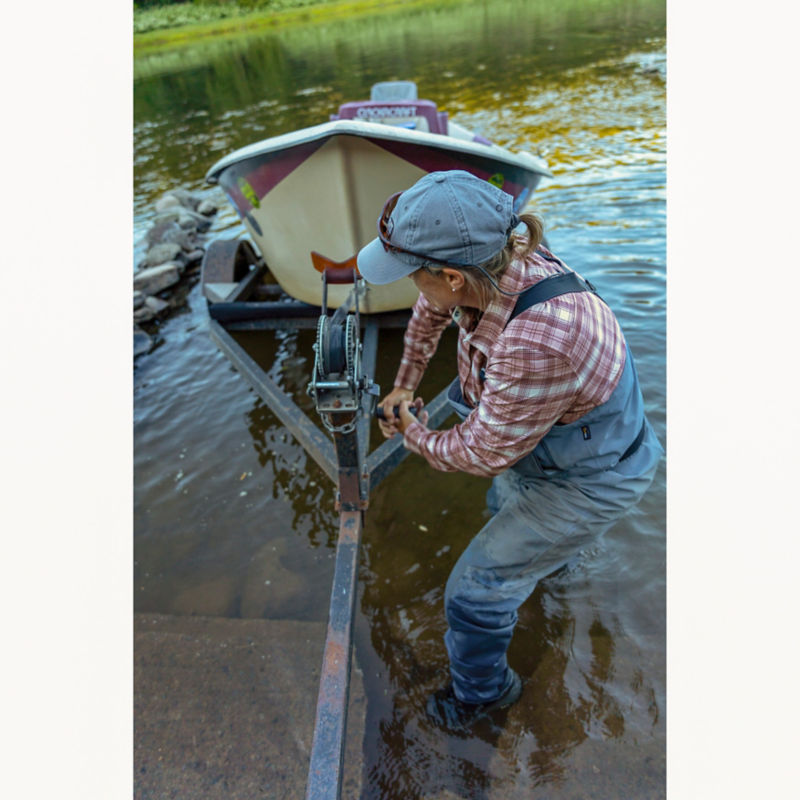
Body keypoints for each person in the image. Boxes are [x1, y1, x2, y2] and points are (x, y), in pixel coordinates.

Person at [356, 170, 663, 733]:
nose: (409, 287)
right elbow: (430, 313)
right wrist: (405, 383)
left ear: (450, 275)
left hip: (590, 476)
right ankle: (553, 566)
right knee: (505, 518)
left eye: (412, 274)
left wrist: (412, 430)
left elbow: (477, 453)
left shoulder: (536, 339)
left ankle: (484, 698)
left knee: (473, 595)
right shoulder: (498, 255)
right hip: (547, 441)